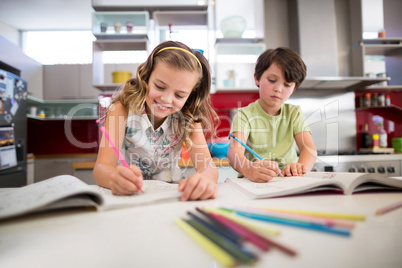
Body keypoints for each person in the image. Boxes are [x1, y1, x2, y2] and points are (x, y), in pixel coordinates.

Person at [93, 41, 219, 201]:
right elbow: (101, 168)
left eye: (179, 95)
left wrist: (204, 179)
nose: (166, 99)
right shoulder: (121, 109)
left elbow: (208, 167)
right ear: (146, 77)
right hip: (127, 196)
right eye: (159, 87)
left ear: (190, 96)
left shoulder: (188, 118)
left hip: (170, 198)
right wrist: (113, 178)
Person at [227, 47, 317, 182]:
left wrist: (300, 168)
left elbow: (308, 148)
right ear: (257, 79)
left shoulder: (294, 113)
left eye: (287, 84)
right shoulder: (244, 115)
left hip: (287, 181)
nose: (278, 89)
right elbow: (234, 153)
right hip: (253, 182)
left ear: (294, 88)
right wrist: (248, 169)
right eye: (272, 80)